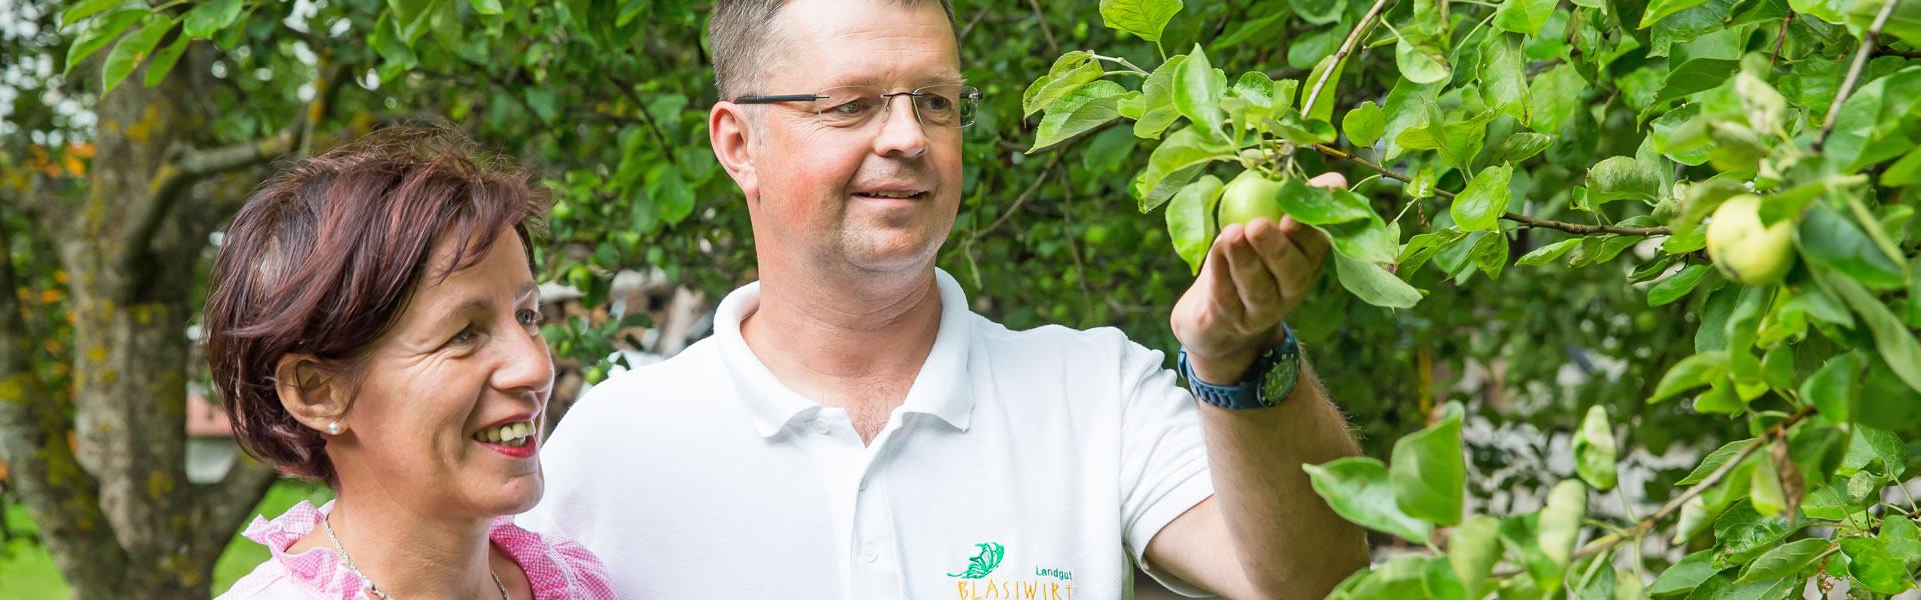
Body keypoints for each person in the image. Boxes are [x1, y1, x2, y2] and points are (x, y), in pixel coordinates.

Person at [521, 0, 1372, 598]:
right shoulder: (611, 445)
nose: (907, 138)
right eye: (850, 104)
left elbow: (1314, 583)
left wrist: (1237, 356)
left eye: (935, 102)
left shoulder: (1094, 393)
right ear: (738, 143)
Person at [206, 128, 614, 599]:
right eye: (463, 333)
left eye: (527, 316)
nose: (535, 367)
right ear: (317, 392)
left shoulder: (573, 581)